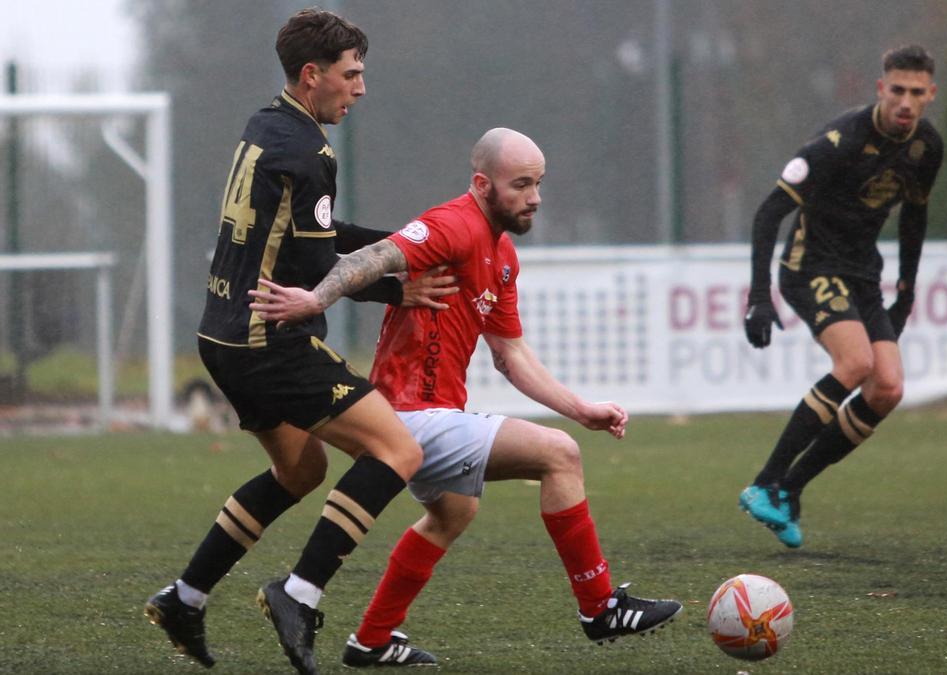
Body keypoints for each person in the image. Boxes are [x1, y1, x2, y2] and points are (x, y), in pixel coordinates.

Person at [247, 127, 684, 667]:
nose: (535, 198)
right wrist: (315, 298)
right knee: (559, 455)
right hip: (407, 415)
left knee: (453, 511)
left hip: (431, 415)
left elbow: (512, 356)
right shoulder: (453, 224)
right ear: (483, 184)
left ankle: (373, 640)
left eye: (539, 184)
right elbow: (376, 256)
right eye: (521, 184)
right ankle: (600, 609)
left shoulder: (502, 255)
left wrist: (581, 409)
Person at [144, 9, 451, 674]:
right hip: (270, 341)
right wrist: (396, 285)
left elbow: (313, 233)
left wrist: (396, 248)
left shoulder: (266, 125)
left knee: (302, 470)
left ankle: (185, 596)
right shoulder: (311, 152)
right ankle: (299, 591)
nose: (360, 88)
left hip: (220, 336)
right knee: (397, 448)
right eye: (352, 74)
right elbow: (316, 272)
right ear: (313, 76)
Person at [738, 45, 943, 548]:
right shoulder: (838, 141)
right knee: (855, 362)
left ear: (930, 95)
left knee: (887, 388)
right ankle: (765, 481)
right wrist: (759, 298)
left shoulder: (927, 148)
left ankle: (789, 489)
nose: (906, 103)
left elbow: (914, 217)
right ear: (881, 89)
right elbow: (768, 214)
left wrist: (907, 292)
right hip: (810, 267)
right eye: (897, 90)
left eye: (917, 93)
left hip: (863, 276)